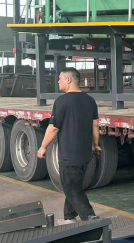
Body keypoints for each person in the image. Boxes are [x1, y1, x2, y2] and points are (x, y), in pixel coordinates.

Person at [37, 67, 101, 224]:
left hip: (69, 154)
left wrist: (43, 146)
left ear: (69, 80)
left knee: (70, 187)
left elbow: (53, 128)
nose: (58, 82)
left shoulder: (61, 101)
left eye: (60, 79)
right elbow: (95, 126)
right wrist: (96, 145)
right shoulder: (90, 101)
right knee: (74, 184)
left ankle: (89, 216)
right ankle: (69, 217)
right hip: (85, 153)